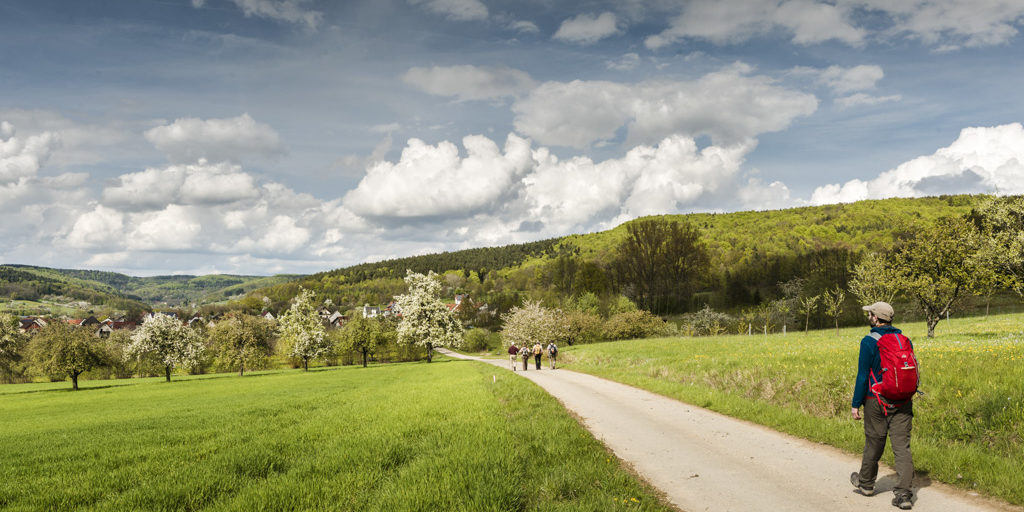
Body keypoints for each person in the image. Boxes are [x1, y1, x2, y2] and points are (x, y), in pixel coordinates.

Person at [850, 302, 915, 510]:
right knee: (902, 447)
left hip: (875, 400)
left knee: (874, 442)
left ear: (876, 318)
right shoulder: (904, 340)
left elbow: (862, 376)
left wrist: (855, 404)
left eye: (870, 314)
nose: (869, 316)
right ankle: (904, 495)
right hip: (903, 401)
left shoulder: (868, 341)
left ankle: (866, 484)